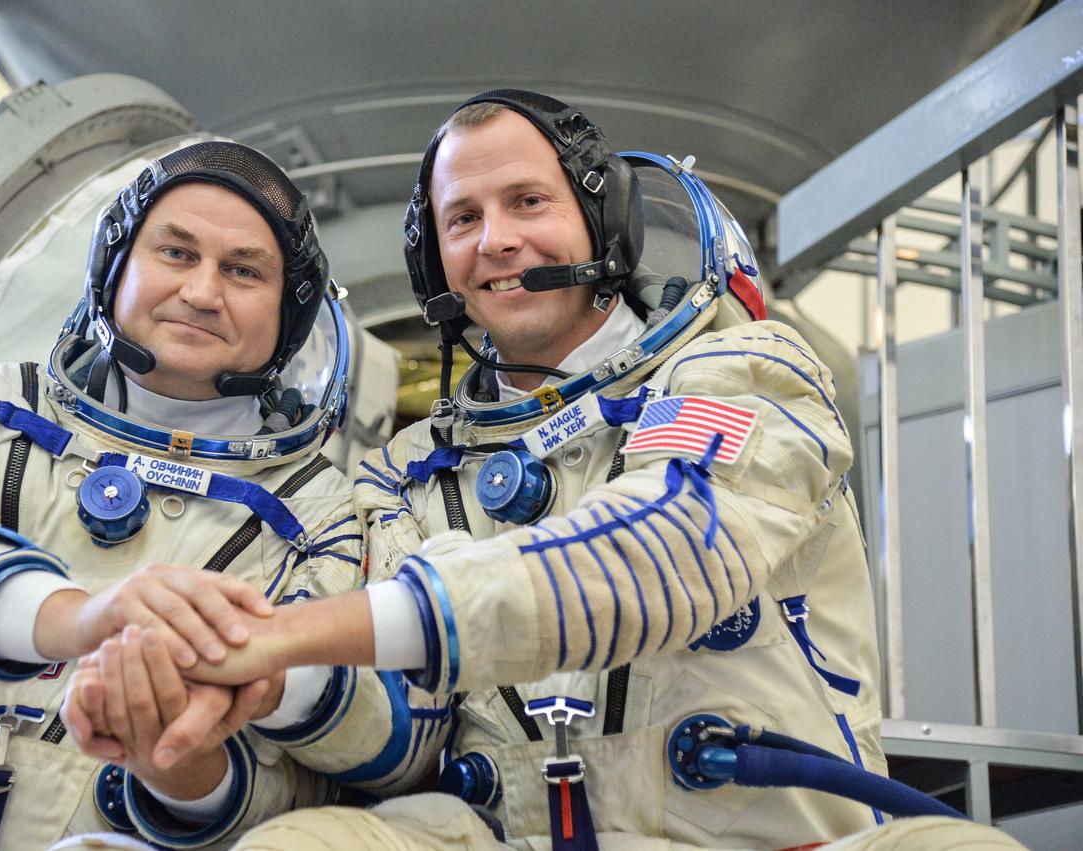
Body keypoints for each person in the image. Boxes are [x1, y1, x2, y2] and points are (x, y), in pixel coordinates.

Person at [66, 92, 1025, 850]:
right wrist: (274, 689)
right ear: (435, 261)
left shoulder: (739, 367)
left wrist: (282, 635)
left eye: (527, 202)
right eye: (462, 218)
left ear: (602, 219)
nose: (496, 241)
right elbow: (395, 732)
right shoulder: (404, 476)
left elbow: (669, 548)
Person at [0, 140, 363, 849]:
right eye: (176, 253)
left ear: (291, 311)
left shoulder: (323, 517)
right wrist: (78, 617)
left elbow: (306, 784)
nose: (202, 293)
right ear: (115, 262)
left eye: (243, 271)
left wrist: (179, 768)